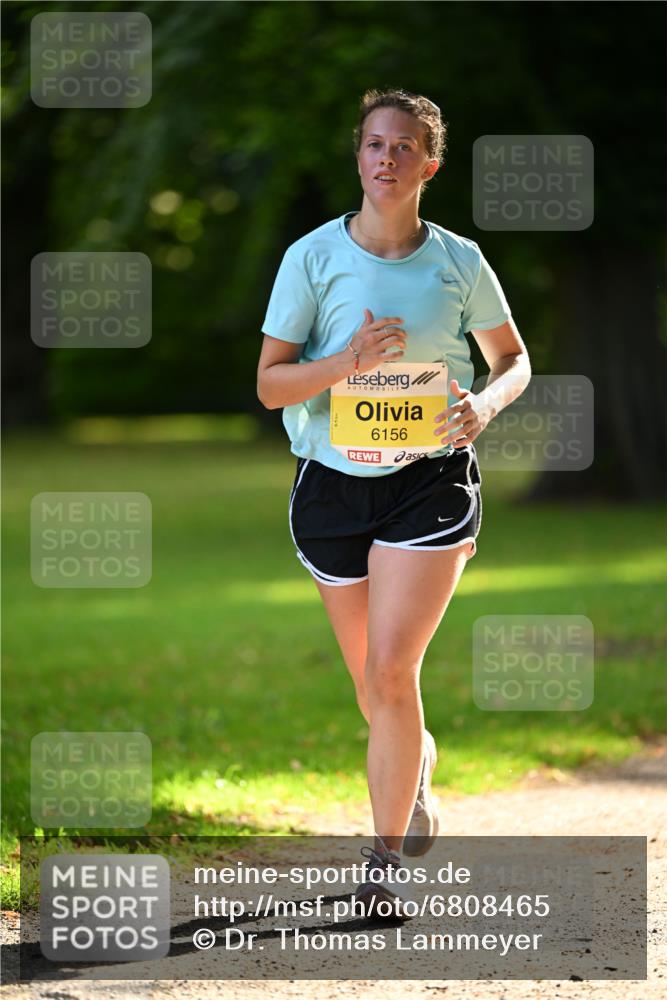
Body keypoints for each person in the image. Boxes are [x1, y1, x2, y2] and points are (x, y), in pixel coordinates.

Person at [257, 88, 531, 919]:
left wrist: (481, 407)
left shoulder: (457, 260)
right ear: (359, 158)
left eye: (403, 146)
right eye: (373, 145)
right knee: (373, 691)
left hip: (429, 482)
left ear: (428, 164)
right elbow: (270, 387)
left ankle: (381, 867)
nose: (385, 158)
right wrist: (342, 364)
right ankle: (412, 767)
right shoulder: (310, 257)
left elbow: (512, 360)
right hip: (332, 488)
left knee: (390, 669)